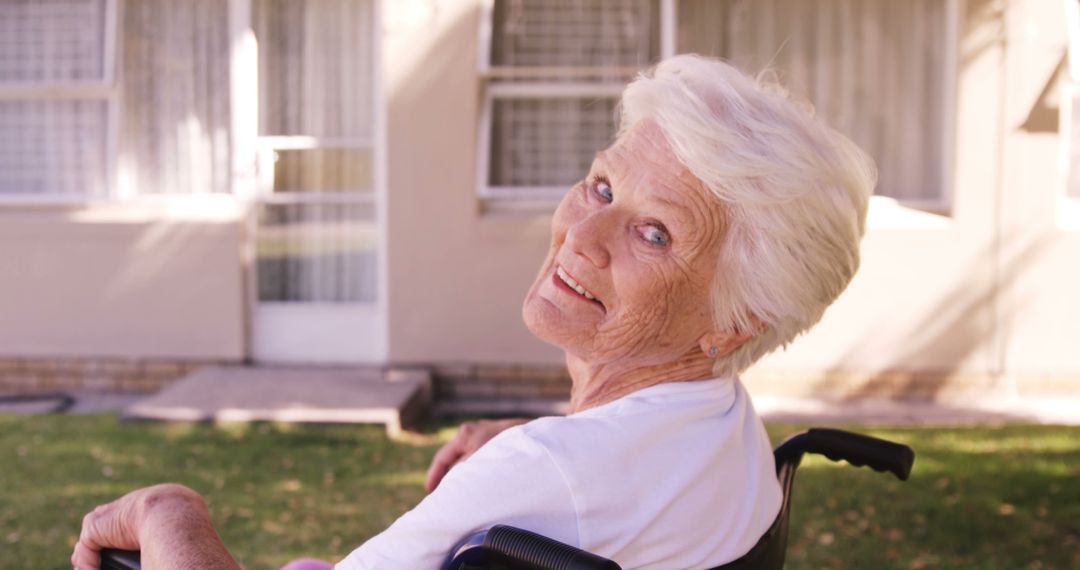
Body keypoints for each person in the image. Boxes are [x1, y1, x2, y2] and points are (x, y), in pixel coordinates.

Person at [72, 55, 875, 570]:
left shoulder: (549, 476)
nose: (581, 236)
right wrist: (531, 452)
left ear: (732, 323)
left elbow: (579, 481)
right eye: (602, 187)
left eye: (655, 233)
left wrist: (169, 512)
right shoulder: (723, 425)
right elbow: (608, 486)